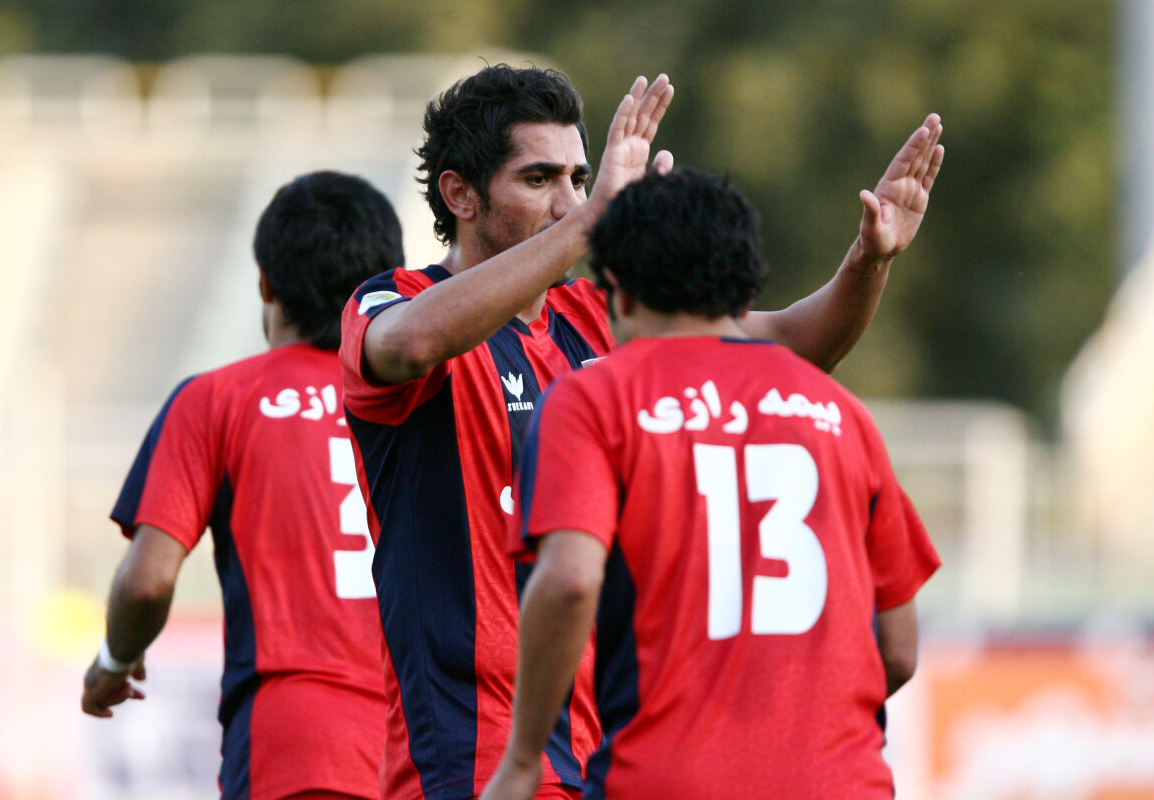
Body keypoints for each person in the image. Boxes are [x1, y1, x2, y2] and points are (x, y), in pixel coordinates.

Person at [339, 64, 942, 800]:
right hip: (482, 754)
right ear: (460, 195)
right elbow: (408, 347)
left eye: (579, 178)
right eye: (539, 180)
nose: (570, 200)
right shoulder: (394, 302)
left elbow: (784, 349)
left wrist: (868, 261)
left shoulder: (600, 316)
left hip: (616, 749)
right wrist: (594, 219)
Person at [482, 168, 942, 800]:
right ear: (746, 287)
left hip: (668, 779)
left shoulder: (594, 399)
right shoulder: (840, 414)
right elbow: (898, 649)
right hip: (845, 781)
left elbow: (569, 580)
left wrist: (524, 758)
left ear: (618, 291)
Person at [80, 171, 404, 800]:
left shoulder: (218, 398)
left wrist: (114, 661)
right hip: (428, 745)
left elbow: (148, 581)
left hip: (293, 746)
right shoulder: (430, 398)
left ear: (266, 285)